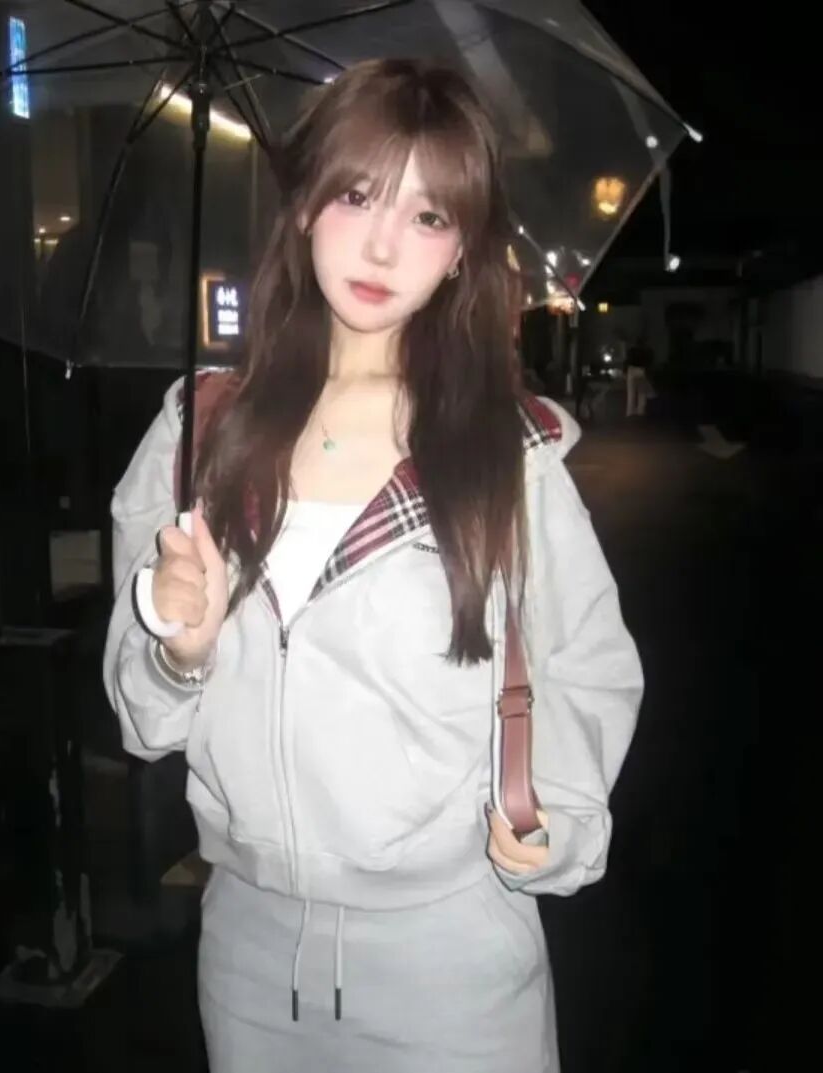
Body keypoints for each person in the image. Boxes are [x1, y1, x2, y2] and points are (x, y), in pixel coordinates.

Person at [103, 58, 643, 1073]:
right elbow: (143, 722)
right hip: (249, 956)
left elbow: (588, 661)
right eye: (357, 195)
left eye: (430, 215)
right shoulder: (199, 434)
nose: (385, 244)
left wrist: (556, 813)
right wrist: (180, 651)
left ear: (461, 251)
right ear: (305, 204)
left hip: (452, 961)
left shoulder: (504, 452)